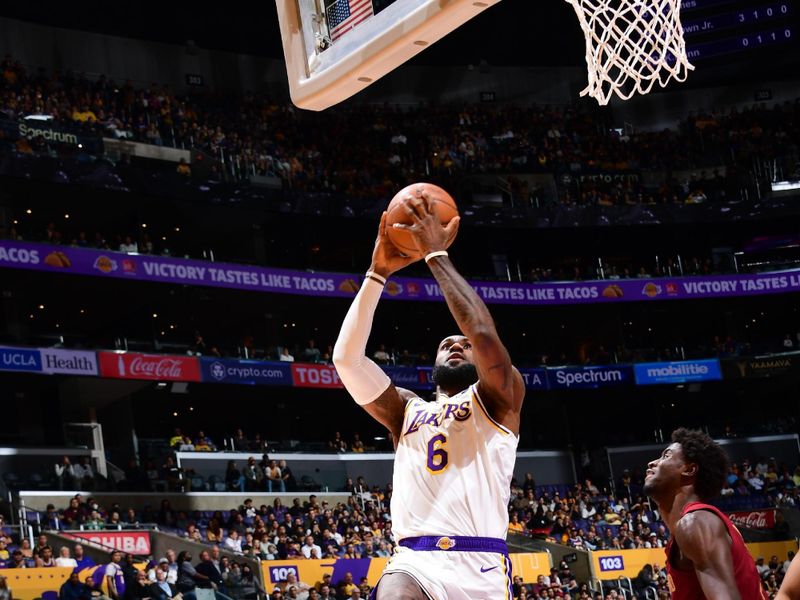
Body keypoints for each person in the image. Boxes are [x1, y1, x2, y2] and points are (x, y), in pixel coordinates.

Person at [332, 190, 525, 599]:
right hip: (414, 561)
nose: (456, 345)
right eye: (445, 344)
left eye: (463, 344)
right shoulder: (404, 409)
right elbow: (347, 361)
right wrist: (376, 274)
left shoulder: (501, 397)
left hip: (482, 564)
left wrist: (436, 256)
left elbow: (484, 333)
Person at [643, 428, 767, 599]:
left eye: (666, 456)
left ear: (689, 470)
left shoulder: (695, 523)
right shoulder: (692, 526)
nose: (652, 463)